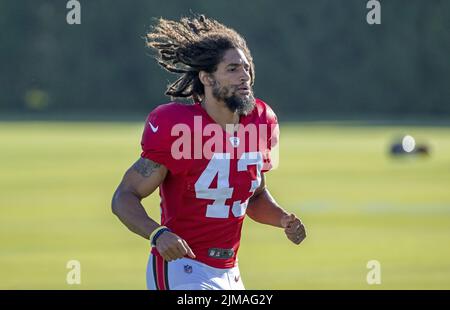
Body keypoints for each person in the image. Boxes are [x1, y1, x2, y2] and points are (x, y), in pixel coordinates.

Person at [112, 15, 306, 290]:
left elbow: (255, 195)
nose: (244, 76)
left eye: (246, 68)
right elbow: (123, 196)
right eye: (233, 69)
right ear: (207, 77)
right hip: (181, 268)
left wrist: (282, 218)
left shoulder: (262, 120)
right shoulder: (179, 127)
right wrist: (157, 233)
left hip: (231, 272)